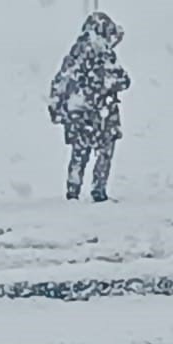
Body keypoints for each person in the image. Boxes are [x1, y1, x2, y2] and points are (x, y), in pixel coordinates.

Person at [50, 12, 131, 202]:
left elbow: (62, 81)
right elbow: (123, 80)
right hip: (101, 110)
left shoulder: (75, 53)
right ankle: (98, 189)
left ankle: (73, 189)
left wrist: (57, 106)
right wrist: (107, 88)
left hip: (79, 110)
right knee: (104, 151)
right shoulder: (103, 53)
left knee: (79, 152)